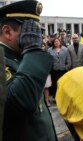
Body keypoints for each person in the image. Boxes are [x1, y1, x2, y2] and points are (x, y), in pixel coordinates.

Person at [0, 0, 57, 140]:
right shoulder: (4, 59)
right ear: (7, 32)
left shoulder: (22, 57)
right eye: (29, 31)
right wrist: (32, 50)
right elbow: (20, 102)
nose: (37, 37)